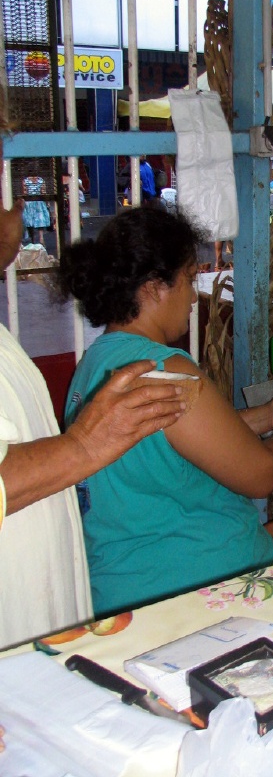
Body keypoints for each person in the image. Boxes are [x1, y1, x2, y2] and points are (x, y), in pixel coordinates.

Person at [56, 207, 273, 617]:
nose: (194, 297)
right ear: (154, 287)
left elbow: (165, 445)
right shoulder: (167, 371)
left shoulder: (97, 363)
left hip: (125, 590)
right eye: (190, 278)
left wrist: (268, 417)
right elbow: (261, 476)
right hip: (197, 595)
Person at [0, 182, 187, 650]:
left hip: (43, 619)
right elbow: (259, 474)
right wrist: (83, 445)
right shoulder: (155, 362)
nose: (16, 208)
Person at [22, 174, 51, 245]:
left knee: (30, 221)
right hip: (39, 201)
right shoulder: (40, 180)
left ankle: (32, 240)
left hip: (29, 202)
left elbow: (25, 193)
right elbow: (43, 192)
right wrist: (47, 202)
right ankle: (41, 238)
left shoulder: (25, 181)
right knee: (40, 220)